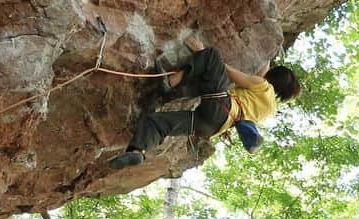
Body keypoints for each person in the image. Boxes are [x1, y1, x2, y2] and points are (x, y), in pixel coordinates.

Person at [109, 34, 301, 169]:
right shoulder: (269, 109)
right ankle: (136, 151)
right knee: (156, 122)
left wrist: (202, 53)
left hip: (221, 107)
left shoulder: (264, 87)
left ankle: (172, 81)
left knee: (211, 56)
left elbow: (231, 73)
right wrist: (269, 55)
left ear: (273, 78)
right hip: (212, 127)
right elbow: (258, 75)